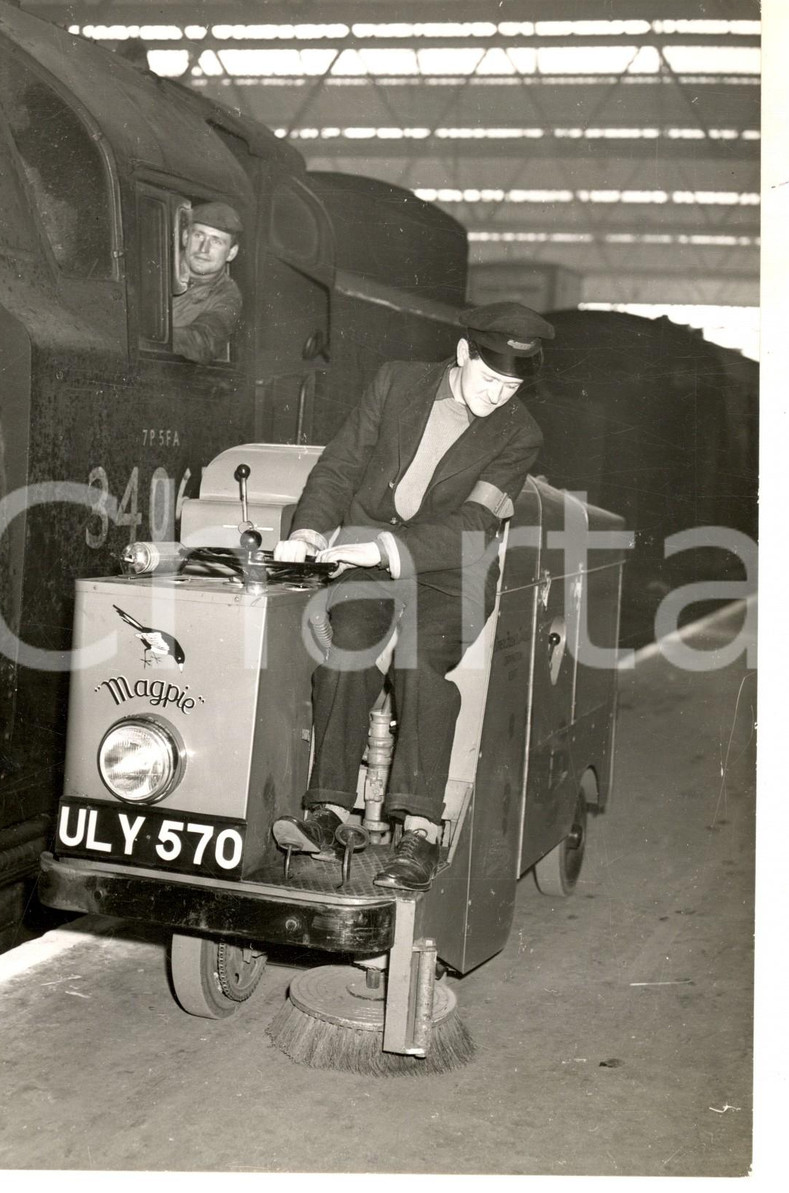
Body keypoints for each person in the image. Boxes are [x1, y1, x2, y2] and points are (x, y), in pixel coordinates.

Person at [272, 302, 554, 892]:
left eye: (512, 386)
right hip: (369, 555)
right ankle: (327, 812)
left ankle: (419, 833)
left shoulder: (518, 433)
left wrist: (380, 549)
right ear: (462, 354)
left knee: (419, 661)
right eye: (489, 379)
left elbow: (475, 525)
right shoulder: (395, 381)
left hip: (454, 574)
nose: (498, 396)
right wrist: (309, 530)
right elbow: (341, 465)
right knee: (349, 644)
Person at [172, 202, 243, 364]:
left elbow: (204, 342)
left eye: (216, 241)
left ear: (231, 253)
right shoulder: (155, 262)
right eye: (198, 236)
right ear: (185, 237)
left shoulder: (227, 294)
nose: (204, 248)